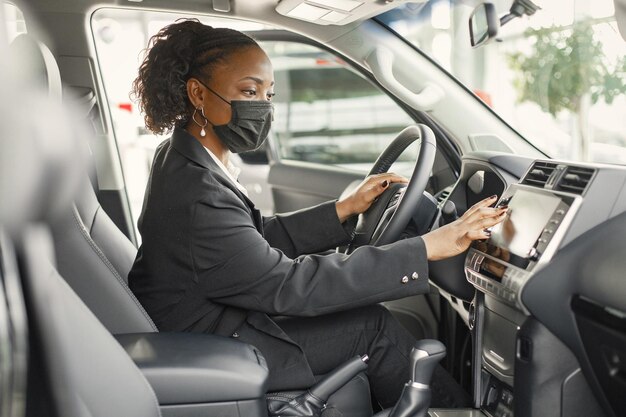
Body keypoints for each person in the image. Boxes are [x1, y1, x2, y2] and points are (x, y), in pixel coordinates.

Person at [128, 19, 506, 409]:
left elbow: (250, 241)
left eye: (268, 94)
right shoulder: (198, 192)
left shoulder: (185, 158)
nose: (262, 106)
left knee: (366, 318)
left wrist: (343, 210)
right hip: (213, 342)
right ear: (198, 94)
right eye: (248, 90)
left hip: (212, 321)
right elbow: (289, 286)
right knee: (372, 327)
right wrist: (425, 247)